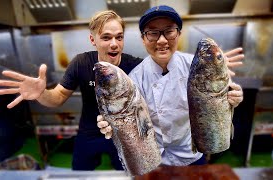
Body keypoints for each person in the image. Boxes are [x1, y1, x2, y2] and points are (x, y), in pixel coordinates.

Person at [0, 10, 143, 170]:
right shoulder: (82, 63)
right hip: (89, 131)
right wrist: (41, 94)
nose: (114, 43)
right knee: (79, 172)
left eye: (119, 37)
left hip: (123, 134)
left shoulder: (135, 66)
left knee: (129, 173)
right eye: (106, 37)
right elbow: (58, 96)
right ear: (93, 40)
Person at [97, 5, 244, 166]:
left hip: (192, 153)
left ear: (178, 34)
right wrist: (113, 123)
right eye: (153, 33)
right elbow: (130, 118)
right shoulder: (135, 79)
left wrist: (232, 98)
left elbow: (220, 99)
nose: (162, 40)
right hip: (155, 158)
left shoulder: (197, 66)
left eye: (169, 31)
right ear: (143, 39)